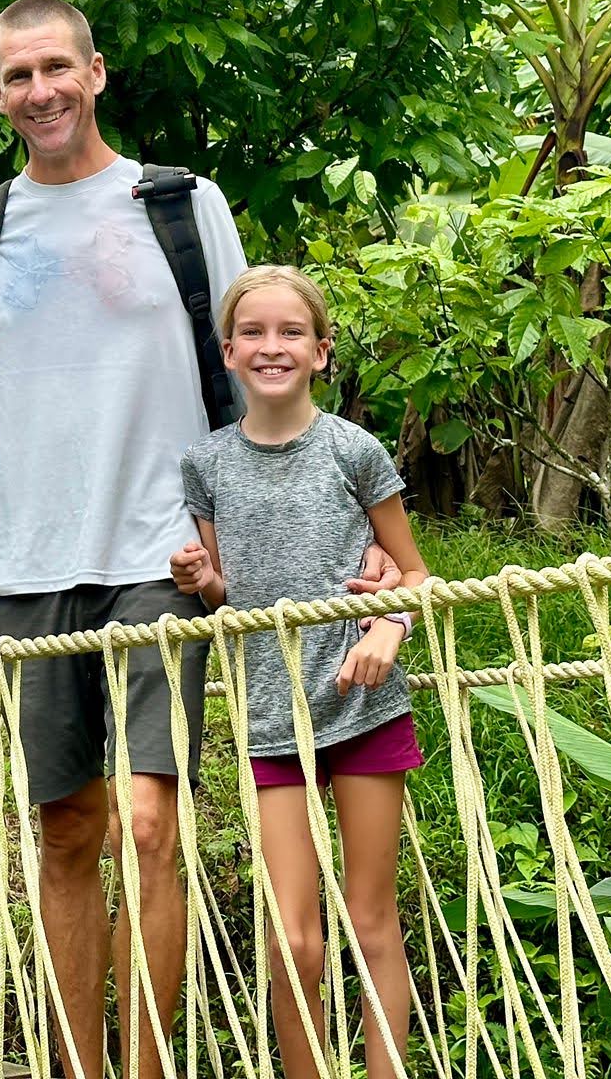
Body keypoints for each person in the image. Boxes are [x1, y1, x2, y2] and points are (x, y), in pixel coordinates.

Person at [173, 265, 429, 1079]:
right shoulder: (206, 464)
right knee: (292, 935)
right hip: (270, 718)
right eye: (254, 332)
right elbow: (225, 593)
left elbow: (418, 575)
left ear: (321, 352)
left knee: (371, 922)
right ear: (228, 352)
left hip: (364, 708)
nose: (271, 346)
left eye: (291, 333)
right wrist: (201, 581)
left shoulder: (353, 449)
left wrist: (389, 626)